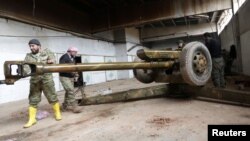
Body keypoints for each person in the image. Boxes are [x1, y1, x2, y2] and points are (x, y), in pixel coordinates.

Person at [23, 39, 62, 128]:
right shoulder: (28, 56)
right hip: (35, 80)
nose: (31, 48)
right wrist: (25, 71)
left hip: (47, 79)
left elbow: (54, 61)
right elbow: (25, 66)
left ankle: (57, 113)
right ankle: (32, 119)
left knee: (52, 96)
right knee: (33, 99)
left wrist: (51, 61)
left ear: (39, 46)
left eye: (33, 46)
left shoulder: (47, 52)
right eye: (30, 46)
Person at [59, 47, 81, 113]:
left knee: (68, 92)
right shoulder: (64, 57)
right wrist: (73, 72)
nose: (76, 54)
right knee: (70, 90)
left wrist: (76, 74)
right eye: (75, 52)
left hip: (70, 77)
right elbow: (63, 68)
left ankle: (64, 106)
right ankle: (75, 107)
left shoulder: (72, 58)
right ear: (70, 51)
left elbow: (73, 67)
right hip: (64, 77)